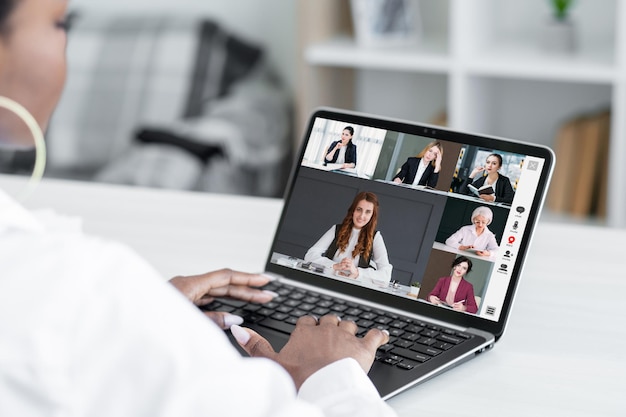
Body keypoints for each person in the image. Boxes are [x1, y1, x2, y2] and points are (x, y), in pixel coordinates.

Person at [0, 1, 395, 416]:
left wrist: (146, 316)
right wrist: (332, 377)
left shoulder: (76, 293)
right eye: (59, 24)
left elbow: (384, 274)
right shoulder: (81, 290)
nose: (68, 45)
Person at [305, 191, 392, 287]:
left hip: (354, 289)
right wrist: (335, 266)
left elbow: (385, 276)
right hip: (327, 283)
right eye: (359, 209)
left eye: (368, 212)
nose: (362, 216)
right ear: (353, 210)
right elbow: (310, 255)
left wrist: (357, 272)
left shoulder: (375, 237)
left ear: (372, 215)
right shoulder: (336, 229)